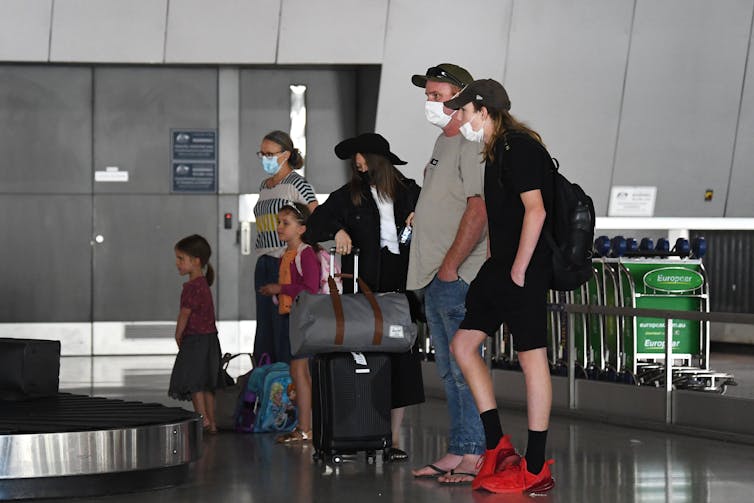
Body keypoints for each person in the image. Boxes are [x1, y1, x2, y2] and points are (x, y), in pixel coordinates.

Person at [444, 79, 555, 494]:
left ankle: (537, 466)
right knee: (462, 345)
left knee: (532, 359)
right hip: (501, 267)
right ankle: (498, 445)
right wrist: (500, 263)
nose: (460, 118)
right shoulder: (494, 151)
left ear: (482, 109)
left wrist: (521, 269)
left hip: (523, 269)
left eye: (464, 111)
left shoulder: (520, 147)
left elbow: (536, 210)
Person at [306, 133, 425, 462]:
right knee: (364, 359)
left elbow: (439, 221)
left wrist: (421, 217)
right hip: (363, 288)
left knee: (399, 360)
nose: (358, 162)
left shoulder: (410, 192)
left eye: (363, 156)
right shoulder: (348, 196)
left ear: (378, 159)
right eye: (354, 157)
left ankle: (393, 438)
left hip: (401, 288)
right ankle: (359, 431)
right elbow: (313, 227)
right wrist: (337, 231)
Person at [407, 64, 488, 484]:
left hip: (457, 277)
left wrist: (452, 268)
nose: (430, 103)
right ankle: (460, 448)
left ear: (461, 98)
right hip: (435, 276)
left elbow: (478, 209)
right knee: (447, 372)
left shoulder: (473, 144)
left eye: (438, 96)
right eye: (429, 96)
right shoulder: (444, 141)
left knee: (463, 368)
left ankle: (475, 453)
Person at [253, 131, 318, 364]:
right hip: (264, 259)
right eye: (262, 154)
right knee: (265, 326)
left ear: (286, 154)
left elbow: (316, 213)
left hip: (286, 260)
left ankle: (287, 383)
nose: (265, 158)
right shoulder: (265, 185)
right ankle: (266, 379)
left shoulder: (296, 183)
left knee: (284, 324)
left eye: (270, 154)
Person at [258, 203, 320, 443]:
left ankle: (306, 428)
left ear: (302, 228)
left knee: (301, 372)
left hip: (303, 320)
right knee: (296, 371)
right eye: (279, 223)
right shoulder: (287, 254)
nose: (279, 228)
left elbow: (310, 288)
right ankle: (303, 426)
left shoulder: (305, 254)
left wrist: (279, 288)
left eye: (286, 223)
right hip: (292, 317)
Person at [169, 234, 224, 434]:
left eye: (181, 259)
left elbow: (185, 314)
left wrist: (178, 334)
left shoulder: (191, 287)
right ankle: (213, 422)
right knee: (208, 383)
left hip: (194, 340)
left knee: (194, 383)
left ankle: (202, 419)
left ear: (196, 261)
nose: (177, 263)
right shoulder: (203, 284)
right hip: (210, 340)